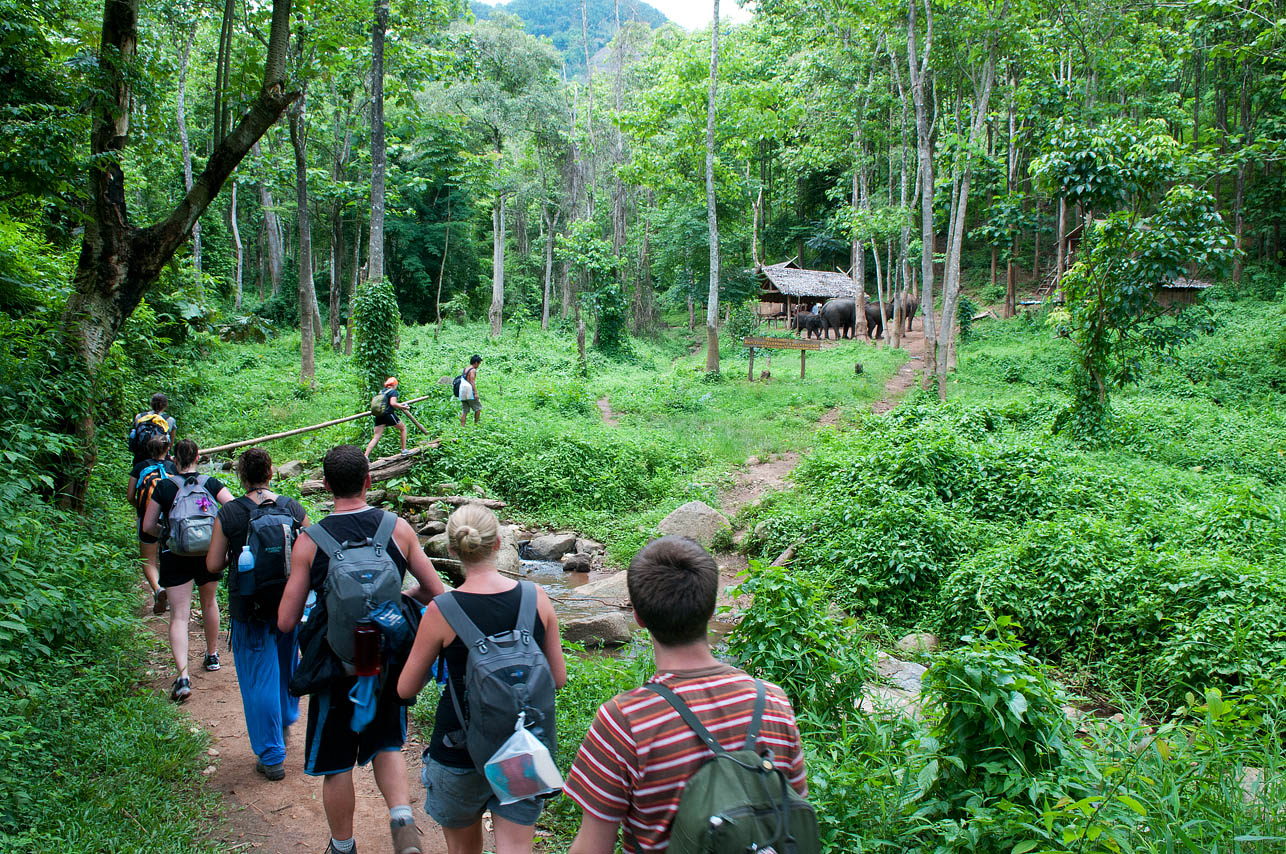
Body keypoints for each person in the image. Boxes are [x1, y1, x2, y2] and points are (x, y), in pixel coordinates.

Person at [563, 536, 809, 854]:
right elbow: (795, 810)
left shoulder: (623, 721)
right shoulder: (774, 702)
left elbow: (592, 847)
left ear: (637, 617)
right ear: (712, 608)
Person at [279, 444, 446, 854]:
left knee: (337, 765)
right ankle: (402, 818)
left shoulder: (310, 541)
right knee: (387, 744)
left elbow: (286, 621)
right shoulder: (398, 529)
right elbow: (435, 592)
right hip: (386, 664)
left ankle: (342, 845)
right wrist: (398, 601)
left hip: (336, 669)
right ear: (369, 481)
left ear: (327, 486)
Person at [398, 504, 567, 854]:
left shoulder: (441, 610)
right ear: (497, 544)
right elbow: (558, 678)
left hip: (457, 750)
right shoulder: (536, 598)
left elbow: (406, 688)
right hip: (521, 745)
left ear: (452, 549)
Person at [207, 447, 309, 781]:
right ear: (271, 472)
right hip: (289, 605)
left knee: (258, 677)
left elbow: (212, 565)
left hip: (249, 609)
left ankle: (271, 754)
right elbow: (313, 548)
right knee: (284, 667)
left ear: (240, 476)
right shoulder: (292, 507)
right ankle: (283, 719)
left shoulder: (231, 514)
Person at [142, 439, 233, 702]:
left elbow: (148, 526)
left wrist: (169, 535)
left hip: (175, 555)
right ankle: (212, 655)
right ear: (198, 457)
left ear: (173, 457)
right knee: (209, 602)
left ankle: (182, 676)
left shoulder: (165, 486)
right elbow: (234, 507)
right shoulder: (211, 483)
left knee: (179, 615)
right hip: (209, 553)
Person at [128, 434, 174, 614]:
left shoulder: (139, 467)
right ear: (167, 449)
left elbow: (130, 496)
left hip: (147, 519)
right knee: (168, 557)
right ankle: (170, 592)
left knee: (148, 560)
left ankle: (157, 588)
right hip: (168, 522)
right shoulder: (173, 467)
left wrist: (142, 510)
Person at [365, 376, 412, 459]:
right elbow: (393, 403)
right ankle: (404, 450)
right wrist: (403, 407)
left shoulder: (382, 392)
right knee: (403, 428)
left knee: (376, 437)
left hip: (379, 415)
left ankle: (365, 456)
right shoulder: (393, 392)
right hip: (388, 415)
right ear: (395, 385)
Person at [130, 392, 177, 466]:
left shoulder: (139, 417)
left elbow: (136, 436)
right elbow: (170, 444)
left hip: (140, 456)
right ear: (165, 405)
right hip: (160, 457)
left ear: (151, 403)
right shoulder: (169, 420)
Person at [459, 355, 482, 428]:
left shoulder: (465, 369)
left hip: (462, 392)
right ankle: (476, 424)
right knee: (478, 408)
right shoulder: (473, 370)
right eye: (479, 363)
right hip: (469, 392)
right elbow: (472, 381)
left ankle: (462, 427)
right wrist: (475, 393)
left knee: (464, 411)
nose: (478, 365)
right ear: (476, 363)